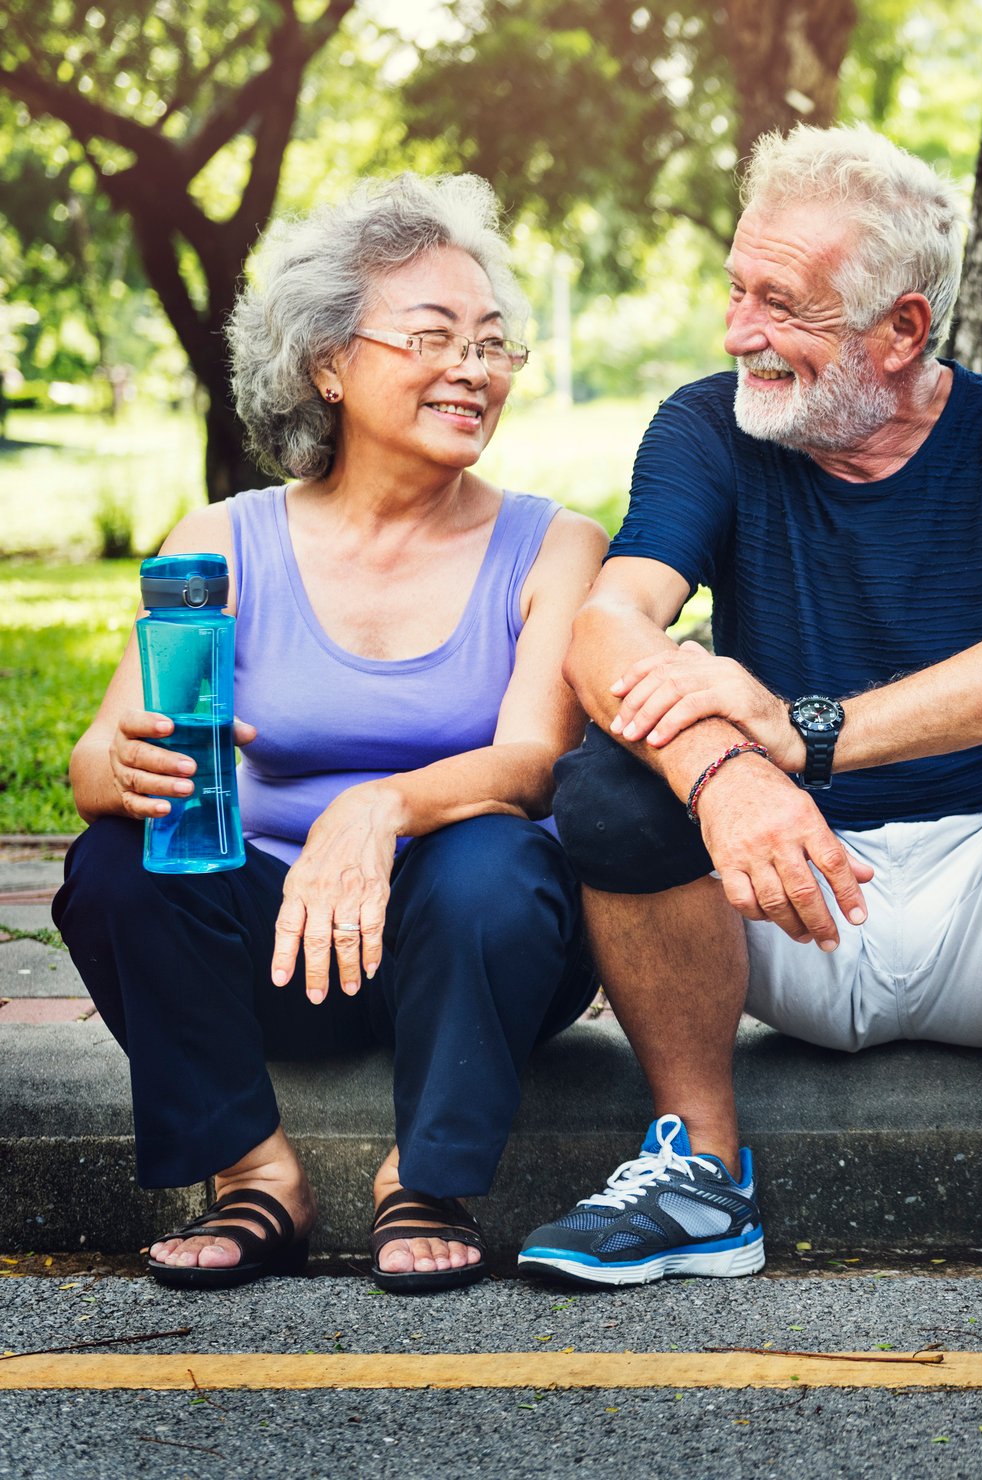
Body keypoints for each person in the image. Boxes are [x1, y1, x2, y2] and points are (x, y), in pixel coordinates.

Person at [515, 125, 982, 1301]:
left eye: (783, 305)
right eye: (737, 290)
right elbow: (607, 629)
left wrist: (805, 731)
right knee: (613, 771)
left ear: (902, 330)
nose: (741, 331)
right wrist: (728, 775)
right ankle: (697, 1167)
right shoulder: (709, 425)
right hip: (785, 901)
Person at [54, 175, 607, 1293]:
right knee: (115, 862)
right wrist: (127, 765)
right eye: (433, 336)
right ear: (328, 363)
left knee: (496, 855)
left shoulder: (555, 543)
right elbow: (89, 765)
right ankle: (254, 1173)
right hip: (273, 947)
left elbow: (535, 763)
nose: (475, 368)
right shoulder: (226, 540)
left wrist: (382, 804)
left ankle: (425, 1176)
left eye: (494, 344)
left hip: (474, 955)